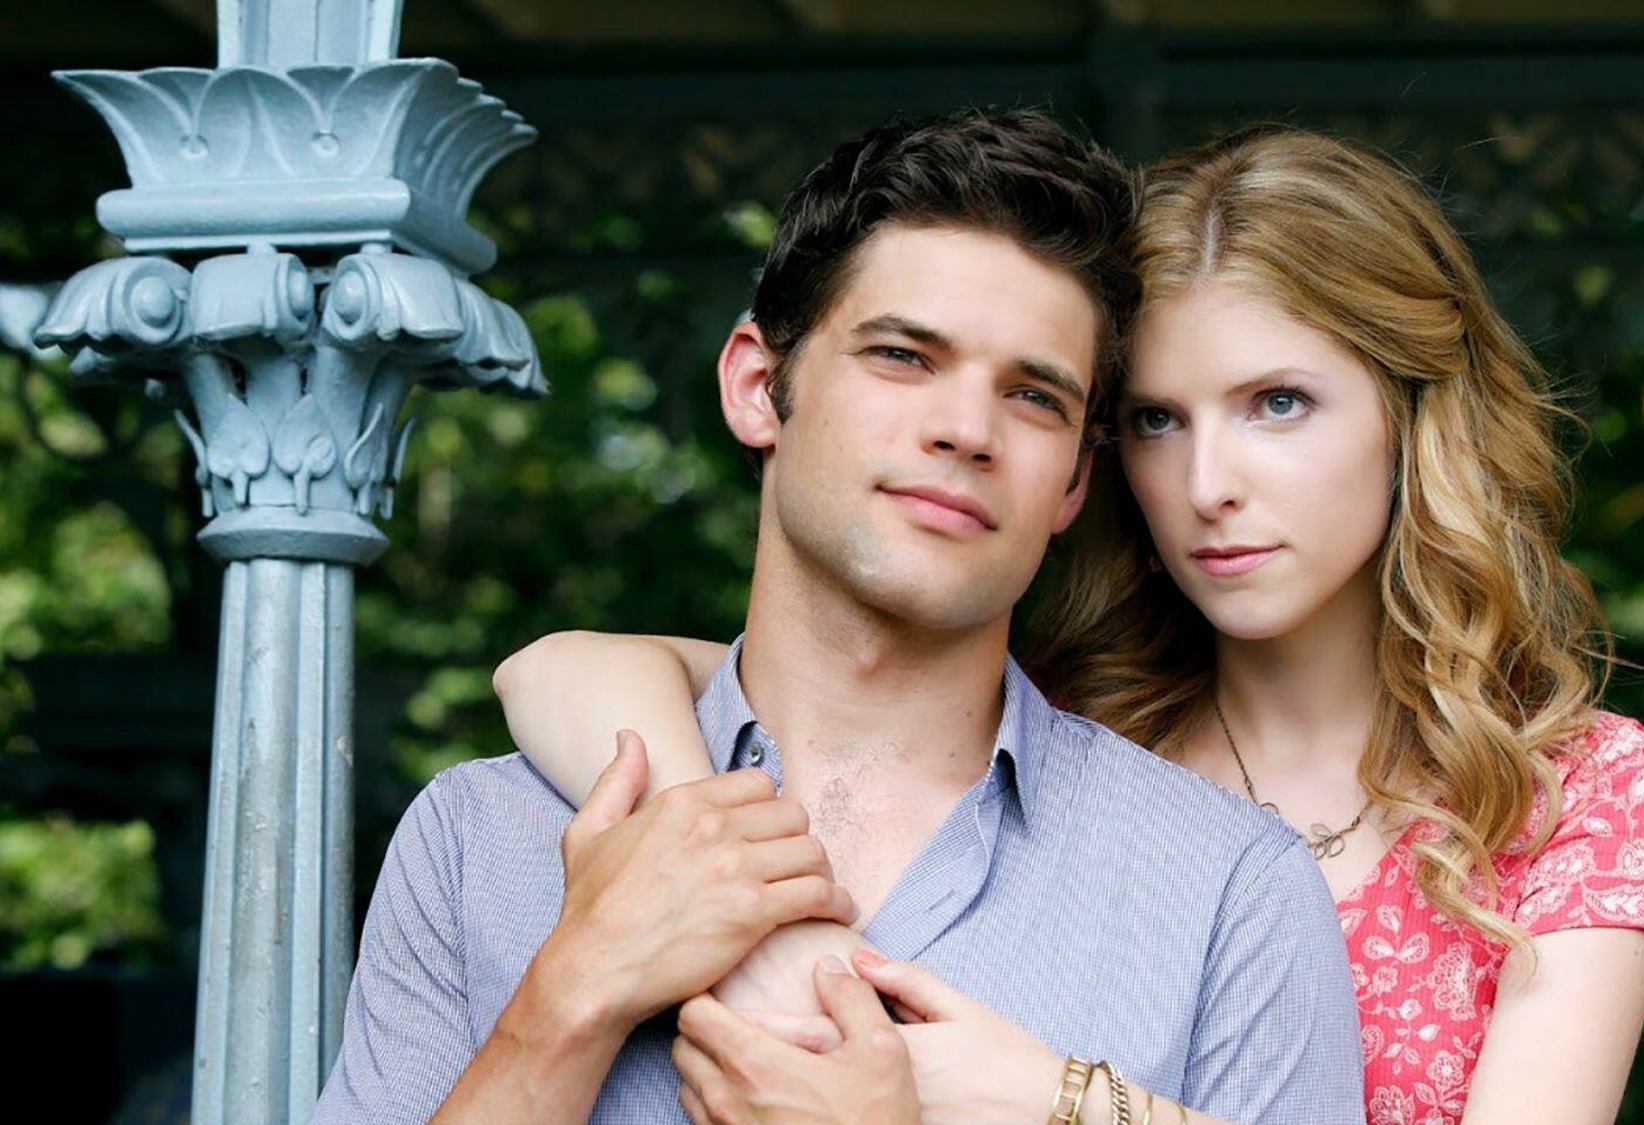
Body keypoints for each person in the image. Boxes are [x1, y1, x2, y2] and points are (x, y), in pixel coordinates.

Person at [498, 124, 1644, 1125]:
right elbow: (564, 670)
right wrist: (728, 912)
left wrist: (1053, 1100)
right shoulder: (1060, 719)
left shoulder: (1561, 792)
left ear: (1412, 418)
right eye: (1156, 421)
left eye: (1277, 403)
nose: (1209, 481)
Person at [312, 109, 1366, 1125]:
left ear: (1072, 487)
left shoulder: (1231, 896)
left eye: (1033, 396)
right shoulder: (477, 837)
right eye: (902, 356)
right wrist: (571, 997)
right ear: (759, 387)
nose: (964, 428)